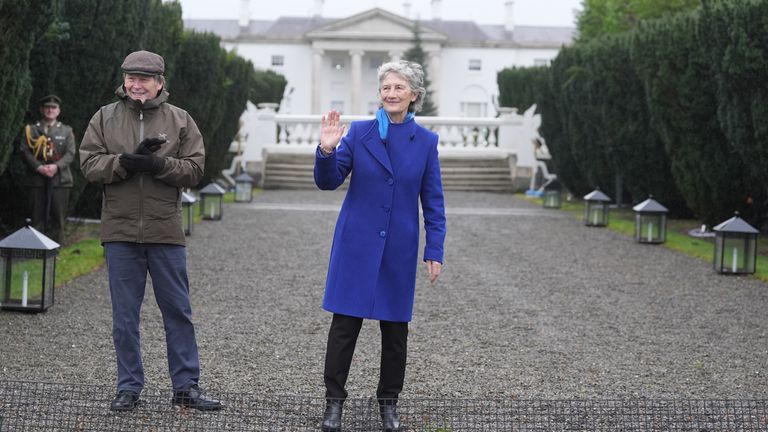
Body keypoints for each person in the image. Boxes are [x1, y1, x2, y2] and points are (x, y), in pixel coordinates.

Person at [79, 50, 222, 412]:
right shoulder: (104, 117)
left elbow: (195, 169)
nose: (136, 84)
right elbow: (89, 164)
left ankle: (186, 386)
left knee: (177, 311)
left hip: (164, 229)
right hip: (120, 230)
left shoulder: (180, 120)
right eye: (131, 77)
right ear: (124, 80)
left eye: (144, 78)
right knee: (124, 317)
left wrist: (157, 164)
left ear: (160, 82)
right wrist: (125, 163)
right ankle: (128, 387)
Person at [314, 60, 446, 432]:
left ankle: (388, 404)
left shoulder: (426, 143)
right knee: (344, 329)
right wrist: (326, 151)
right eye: (386, 87)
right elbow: (328, 181)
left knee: (395, 334)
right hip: (356, 246)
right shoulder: (359, 133)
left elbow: (433, 202)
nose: (390, 94)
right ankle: (333, 405)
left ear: (414, 96)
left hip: (398, 250)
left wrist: (434, 250)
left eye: (399, 88)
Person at [19, 95, 76, 243]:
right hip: (37, 178)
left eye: (53, 107)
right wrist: (39, 168)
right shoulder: (31, 130)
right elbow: (24, 151)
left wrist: (56, 166)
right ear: (42, 109)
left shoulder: (66, 131)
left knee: (58, 217)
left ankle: (55, 250)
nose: (50, 110)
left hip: (60, 180)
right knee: (35, 216)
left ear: (58, 111)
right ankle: (34, 248)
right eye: (47, 107)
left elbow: (71, 153)